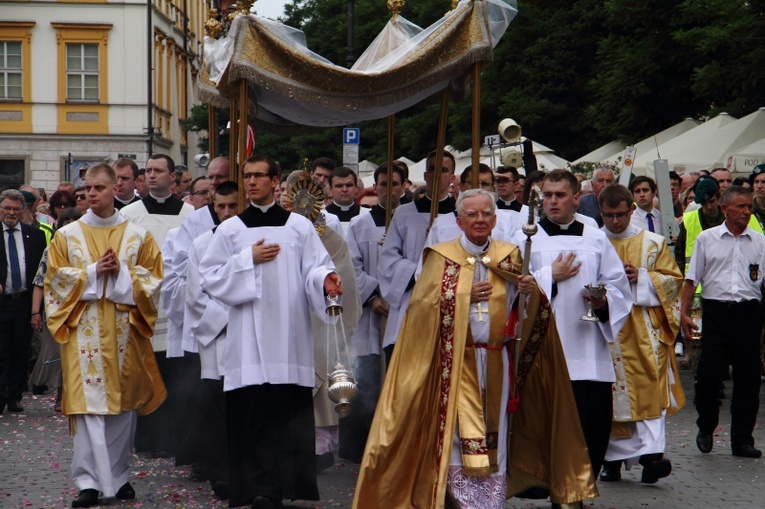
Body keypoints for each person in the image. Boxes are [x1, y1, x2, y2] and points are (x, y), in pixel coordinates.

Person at [354, 189, 597, 509]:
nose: (480, 220)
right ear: (459, 221)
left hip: (497, 359)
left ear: (495, 220)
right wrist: (463, 295)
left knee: (496, 431)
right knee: (457, 435)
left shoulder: (510, 254)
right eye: (472, 215)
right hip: (454, 363)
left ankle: (488, 502)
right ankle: (458, 499)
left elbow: (523, 314)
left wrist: (529, 290)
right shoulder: (440, 256)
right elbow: (422, 310)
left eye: (486, 214)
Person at [198, 154, 342, 509]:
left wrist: (326, 279)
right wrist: (247, 260)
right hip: (247, 339)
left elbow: (315, 267)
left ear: (276, 181)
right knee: (253, 417)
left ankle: (288, 483)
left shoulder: (298, 227)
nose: (251, 182)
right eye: (247, 176)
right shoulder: (231, 230)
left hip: (290, 337)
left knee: (286, 416)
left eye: (259, 176)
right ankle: (259, 488)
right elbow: (210, 277)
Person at [45, 164, 165, 508]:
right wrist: (94, 272)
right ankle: (89, 482)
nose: (91, 194)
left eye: (99, 188)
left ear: (116, 189)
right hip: (83, 339)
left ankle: (120, 476)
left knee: (122, 410)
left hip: (125, 335)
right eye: (88, 189)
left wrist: (122, 274)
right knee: (88, 411)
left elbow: (154, 280)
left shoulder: (137, 236)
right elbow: (55, 282)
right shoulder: (67, 236)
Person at [510, 169, 632, 481]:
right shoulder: (527, 238)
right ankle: (553, 488)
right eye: (547, 195)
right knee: (550, 431)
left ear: (576, 198)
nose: (552, 201)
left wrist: (604, 303)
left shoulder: (595, 238)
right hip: (546, 353)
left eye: (560, 195)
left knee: (590, 430)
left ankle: (579, 489)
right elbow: (513, 289)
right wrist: (550, 276)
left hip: (589, 354)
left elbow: (618, 287)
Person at [597, 185, 685, 484]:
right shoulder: (593, 242)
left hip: (645, 331)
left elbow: (674, 281)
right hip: (607, 330)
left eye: (620, 214)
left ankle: (652, 457)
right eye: (608, 215)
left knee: (649, 391)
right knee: (609, 396)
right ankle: (611, 460)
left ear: (631, 210)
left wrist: (642, 278)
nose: (614, 222)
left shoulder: (652, 243)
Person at [681, 185, 765, 458]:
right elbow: (692, 279)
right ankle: (706, 426)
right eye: (740, 206)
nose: (746, 211)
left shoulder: (759, 241)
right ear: (725, 209)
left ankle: (742, 439)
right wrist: (684, 313)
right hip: (716, 312)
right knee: (708, 377)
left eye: (749, 206)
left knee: (748, 379)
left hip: (748, 314)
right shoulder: (707, 239)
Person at [121, 153, 193, 457]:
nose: (152, 175)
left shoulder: (190, 215)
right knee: (147, 374)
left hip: (177, 307)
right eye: (148, 171)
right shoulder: (129, 214)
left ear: (172, 176)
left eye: (158, 170)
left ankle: (175, 439)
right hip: (144, 306)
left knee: (177, 375)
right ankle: (148, 440)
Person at [176, 182, 241, 497]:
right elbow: (195, 298)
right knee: (217, 414)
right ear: (212, 208)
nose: (227, 213)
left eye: (233, 206)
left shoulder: (255, 241)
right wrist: (234, 317)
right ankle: (222, 477)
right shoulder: (202, 244)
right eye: (221, 207)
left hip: (250, 343)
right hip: (217, 340)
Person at [339, 162, 405, 463]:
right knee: (366, 379)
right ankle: (361, 446)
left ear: (403, 186)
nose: (387, 189)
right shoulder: (360, 225)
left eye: (393, 183)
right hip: (370, 313)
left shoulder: (412, 221)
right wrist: (374, 297)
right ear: (374, 187)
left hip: (404, 309)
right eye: (382, 183)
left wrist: (397, 296)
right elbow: (352, 267)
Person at [377, 149, 457, 362]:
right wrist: (417, 272)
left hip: (449, 299)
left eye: (443, 170)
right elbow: (388, 259)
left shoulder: (460, 215)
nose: (436, 175)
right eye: (432, 169)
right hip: (410, 298)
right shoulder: (404, 214)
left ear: (452, 177)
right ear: (425, 174)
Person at [29, 208, 83, 411]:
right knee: (58, 354)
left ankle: (74, 394)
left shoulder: (89, 248)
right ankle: (60, 393)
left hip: (82, 308)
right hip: (57, 310)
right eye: (65, 221)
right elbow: (39, 282)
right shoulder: (50, 249)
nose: (69, 224)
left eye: (74, 220)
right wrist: (35, 311)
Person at [0, 189, 47, 414]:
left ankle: (15, 396)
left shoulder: (34, 235)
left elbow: (40, 272)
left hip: (24, 302)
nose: (11, 213)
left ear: (23, 210)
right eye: (7, 208)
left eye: (16, 209)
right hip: (2, 302)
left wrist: (37, 309)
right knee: (1, 351)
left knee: (20, 350)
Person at [325, 166, 362, 233]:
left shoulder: (366, 215)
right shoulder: (322, 217)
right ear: (330, 189)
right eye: (339, 186)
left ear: (356, 188)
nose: (344, 190)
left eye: (349, 185)